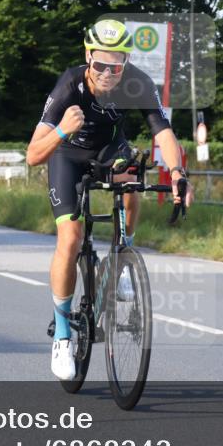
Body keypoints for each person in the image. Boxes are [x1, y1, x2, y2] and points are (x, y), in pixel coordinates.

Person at [26, 19, 192, 381]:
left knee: (134, 175)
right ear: (88, 56)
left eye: (115, 65)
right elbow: (33, 154)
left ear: (126, 62)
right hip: (66, 154)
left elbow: (163, 132)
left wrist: (179, 174)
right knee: (70, 238)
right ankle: (64, 335)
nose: (107, 72)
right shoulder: (69, 85)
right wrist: (60, 130)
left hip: (107, 151)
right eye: (99, 63)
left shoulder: (137, 82)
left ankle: (123, 253)